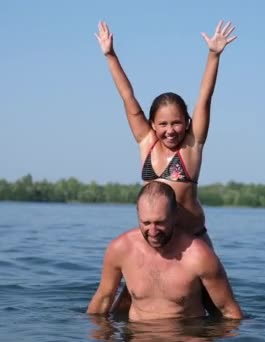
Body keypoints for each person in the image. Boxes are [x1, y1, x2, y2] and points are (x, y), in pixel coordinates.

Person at [94, 20, 237, 315]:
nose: (170, 131)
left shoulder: (192, 147)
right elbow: (128, 98)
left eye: (176, 123)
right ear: (152, 124)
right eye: (162, 124)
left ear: (186, 123)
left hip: (191, 242)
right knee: (123, 306)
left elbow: (204, 98)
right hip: (156, 241)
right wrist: (110, 55)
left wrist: (214, 56)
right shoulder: (146, 142)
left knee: (217, 310)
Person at [86, 181, 243, 321]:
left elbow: (229, 312)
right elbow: (103, 300)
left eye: (160, 222)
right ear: (137, 214)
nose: (153, 231)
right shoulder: (120, 249)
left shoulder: (199, 256)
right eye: (146, 222)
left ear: (175, 215)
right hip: (138, 336)